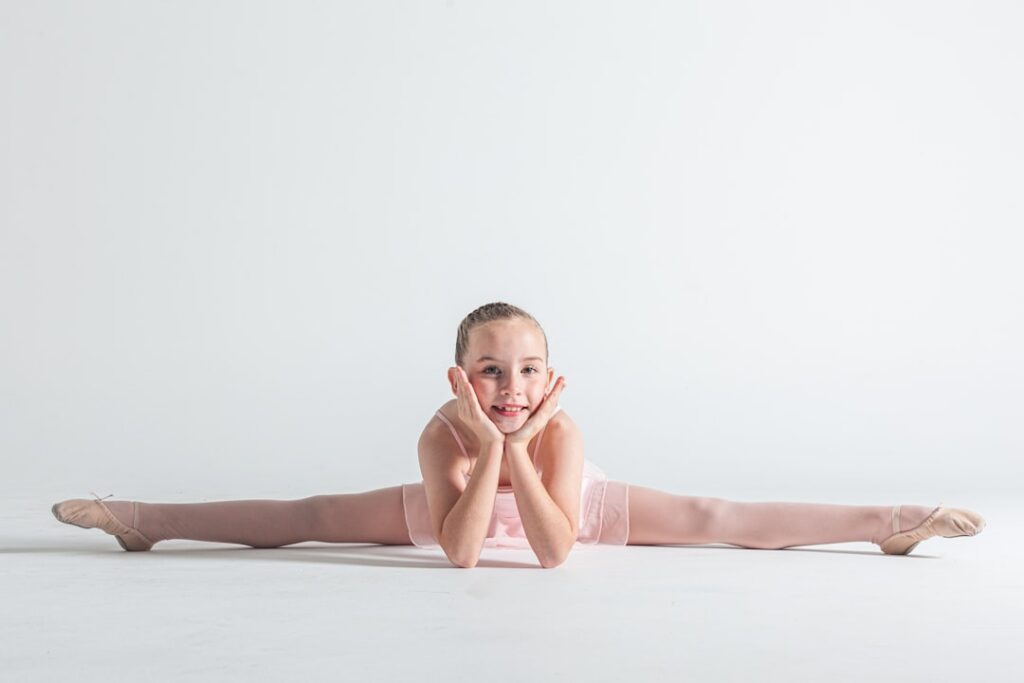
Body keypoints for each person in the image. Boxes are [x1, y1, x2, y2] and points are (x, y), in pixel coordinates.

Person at [52, 302, 985, 568]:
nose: (511, 385)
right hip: (445, 510)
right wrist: (493, 445)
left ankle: (887, 520)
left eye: (527, 369)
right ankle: (143, 517)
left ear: (551, 376)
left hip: (571, 509)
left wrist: (530, 442)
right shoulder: (443, 433)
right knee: (309, 512)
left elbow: (551, 552)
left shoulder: (562, 429)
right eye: (490, 370)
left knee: (716, 512)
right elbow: (461, 555)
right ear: (461, 377)